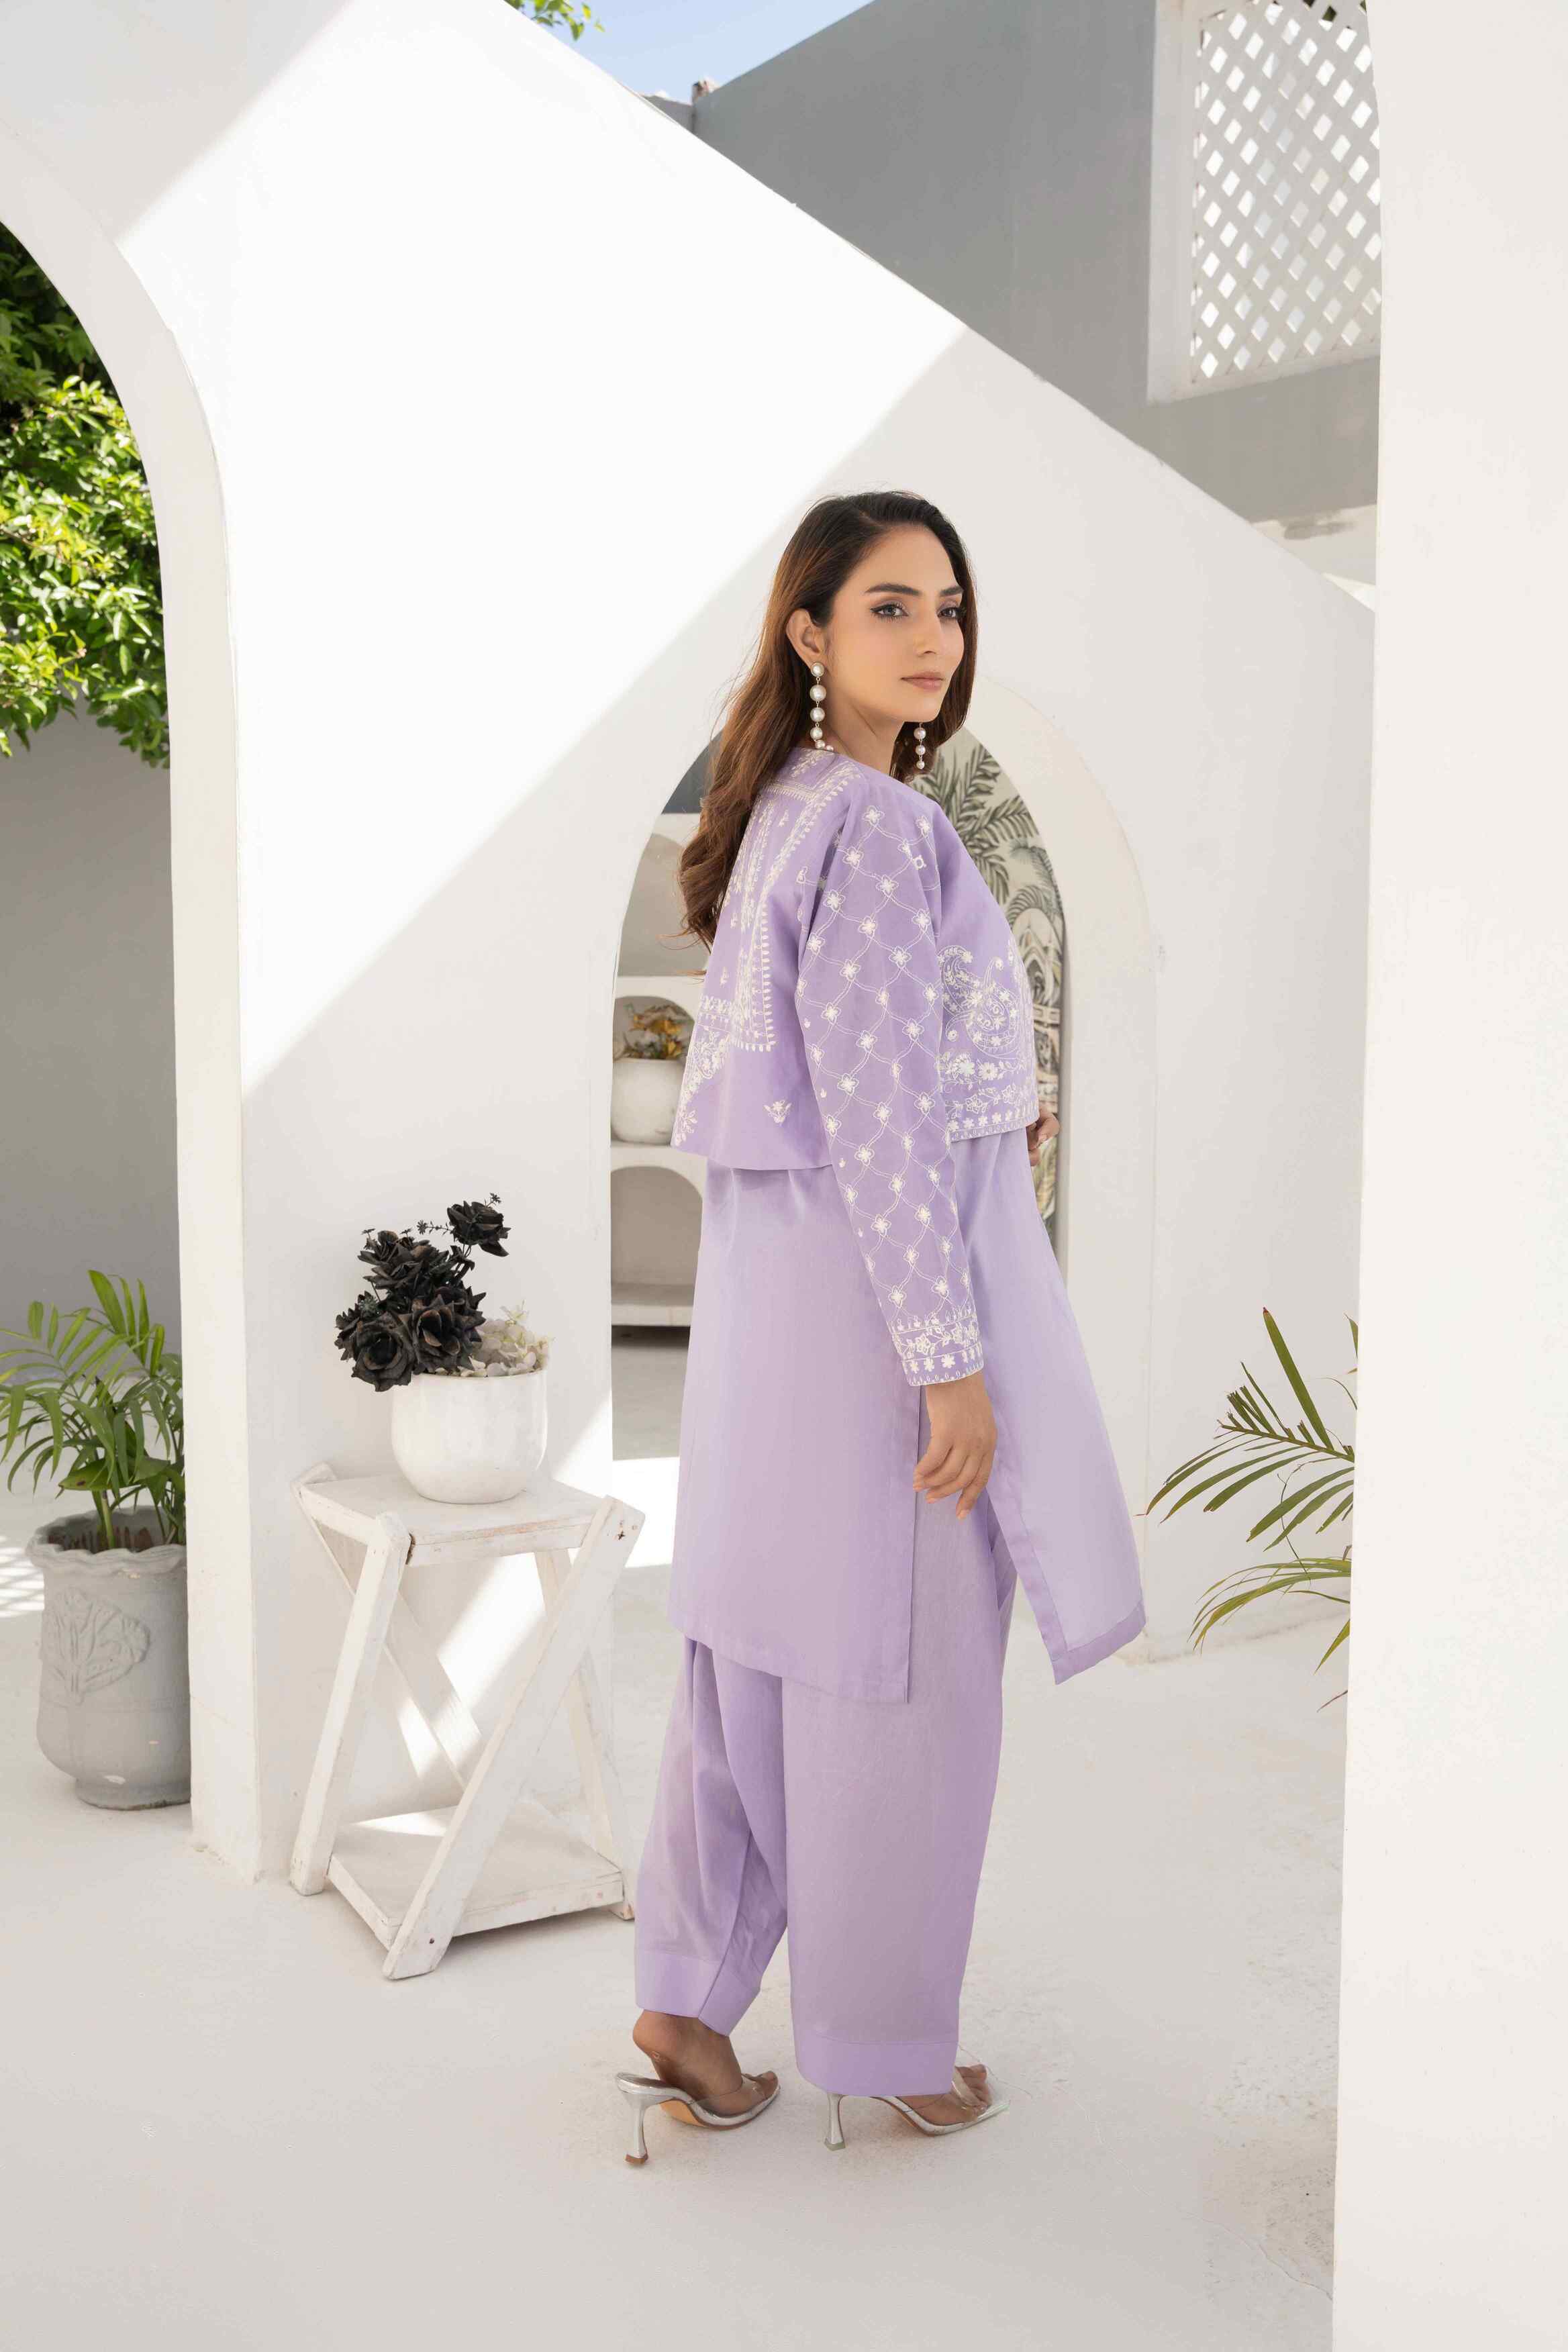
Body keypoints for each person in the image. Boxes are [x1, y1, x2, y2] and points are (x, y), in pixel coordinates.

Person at [614, 490, 1146, 2163]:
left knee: (755, 1649)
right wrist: (949, 1365)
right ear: (810, 631)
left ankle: (689, 2001)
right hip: (872, 1318)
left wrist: (1000, 1106)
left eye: (950, 608)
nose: (933, 640)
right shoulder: (880, 823)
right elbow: (878, 1119)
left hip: (774, 1314)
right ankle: (891, 2043)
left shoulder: (783, 810)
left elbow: (852, 1073)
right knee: (898, 1675)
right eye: (892, 608)